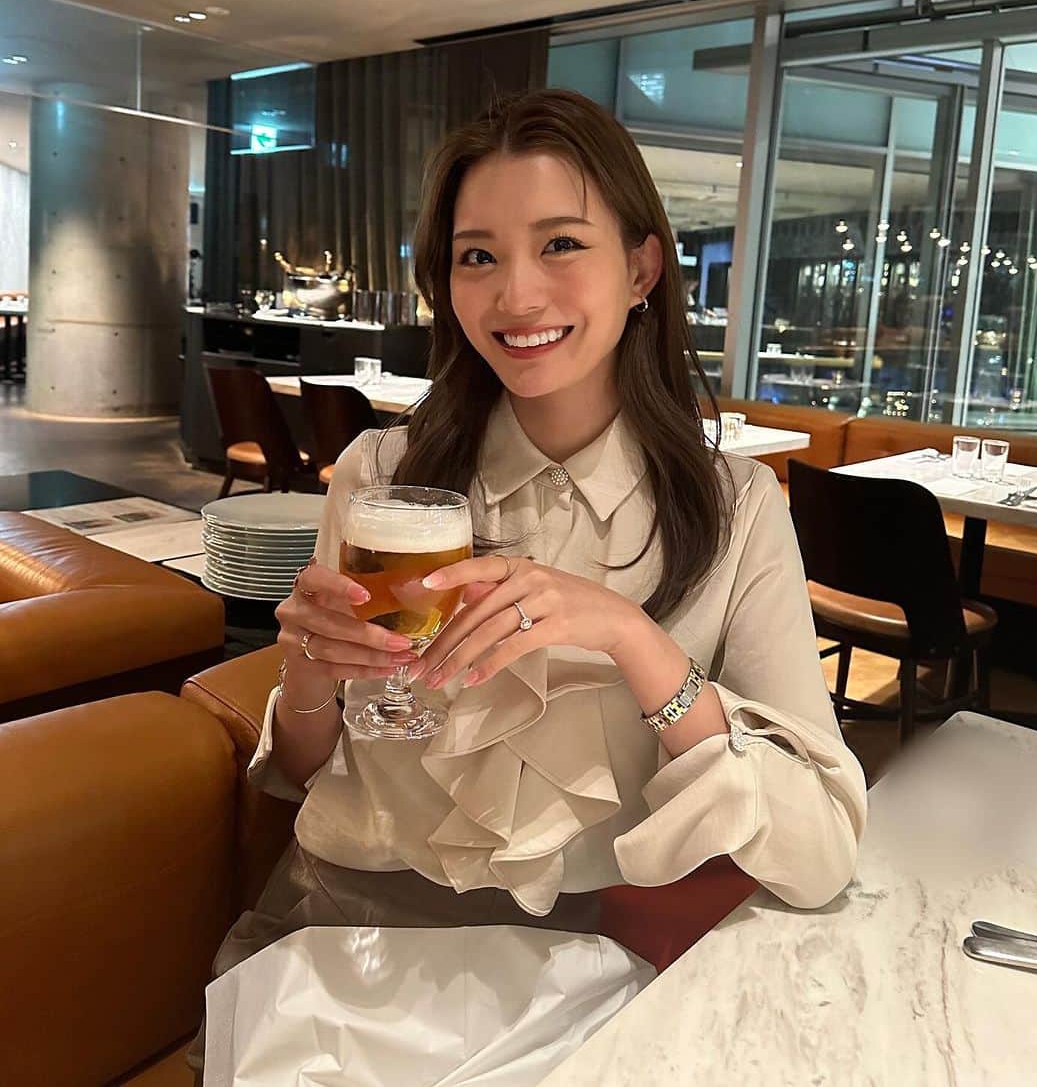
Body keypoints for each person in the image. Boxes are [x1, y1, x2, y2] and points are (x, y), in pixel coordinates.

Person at [187, 88, 867, 1077]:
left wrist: (635, 641)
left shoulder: (737, 508)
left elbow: (819, 849)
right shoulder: (381, 480)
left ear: (642, 268)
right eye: (478, 256)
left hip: (582, 970)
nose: (515, 295)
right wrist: (306, 674)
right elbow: (301, 769)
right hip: (348, 946)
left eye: (561, 244)